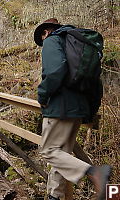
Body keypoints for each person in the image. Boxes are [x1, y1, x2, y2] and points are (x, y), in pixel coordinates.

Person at [34, 18, 111, 200]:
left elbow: (55, 71)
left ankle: (94, 172)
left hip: (59, 108)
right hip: (78, 109)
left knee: (49, 152)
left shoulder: (52, 40)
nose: (43, 42)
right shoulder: (77, 46)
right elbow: (96, 84)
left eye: (42, 38)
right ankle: (56, 196)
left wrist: (42, 96)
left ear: (46, 32)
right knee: (62, 155)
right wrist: (90, 111)